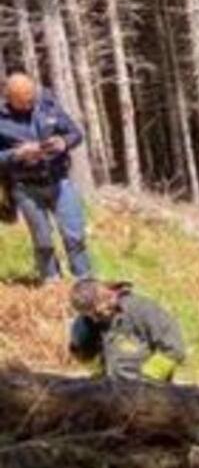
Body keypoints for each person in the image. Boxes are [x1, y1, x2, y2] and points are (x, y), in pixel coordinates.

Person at [0, 72, 91, 283]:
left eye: (31, 98)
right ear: (9, 98)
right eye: (23, 102)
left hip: (60, 181)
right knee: (43, 242)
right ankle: (51, 283)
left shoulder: (48, 104)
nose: (29, 104)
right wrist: (16, 154)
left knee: (74, 235)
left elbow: (75, 133)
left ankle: (85, 282)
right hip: (25, 187)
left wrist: (62, 142)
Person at [68, 279, 186, 383]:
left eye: (98, 313)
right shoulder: (91, 321)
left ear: (109, 295)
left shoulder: (142, 310)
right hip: (109, 391)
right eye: (91, 315)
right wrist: (79, 341)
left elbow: (174, 348)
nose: (95, 319)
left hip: (144, 391)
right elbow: (86, 358)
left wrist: (147, 381)